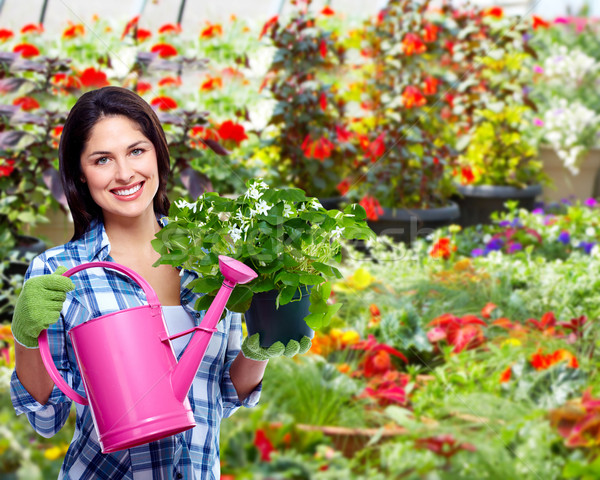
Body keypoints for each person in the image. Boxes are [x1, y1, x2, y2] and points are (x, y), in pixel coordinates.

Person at [10, 86, 269, 479]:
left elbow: (225, 396)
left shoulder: (212, 261)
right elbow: (45, 420)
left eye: (136, 151)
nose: (125, 173)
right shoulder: (59, 271)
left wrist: (263, 345)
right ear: (81, 172)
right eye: (102, 160)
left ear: (157, 153)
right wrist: (26, 340)